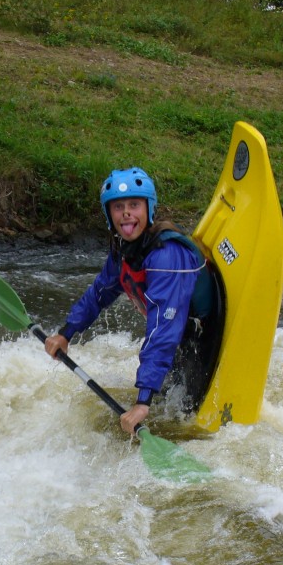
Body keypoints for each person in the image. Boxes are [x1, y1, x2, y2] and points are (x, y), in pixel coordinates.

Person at [44, 167, 225, 434]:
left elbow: (162, 330)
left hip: (204, 335)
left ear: (148, 209)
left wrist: (142, 402)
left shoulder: (166, 256)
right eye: (118, 207)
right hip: (181, 335)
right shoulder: (124, 250)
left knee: (183, 417)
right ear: (109, 214)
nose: (126, 213)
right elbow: (99, 292)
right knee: (167, 405)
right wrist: (66, 333)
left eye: (134, 205)